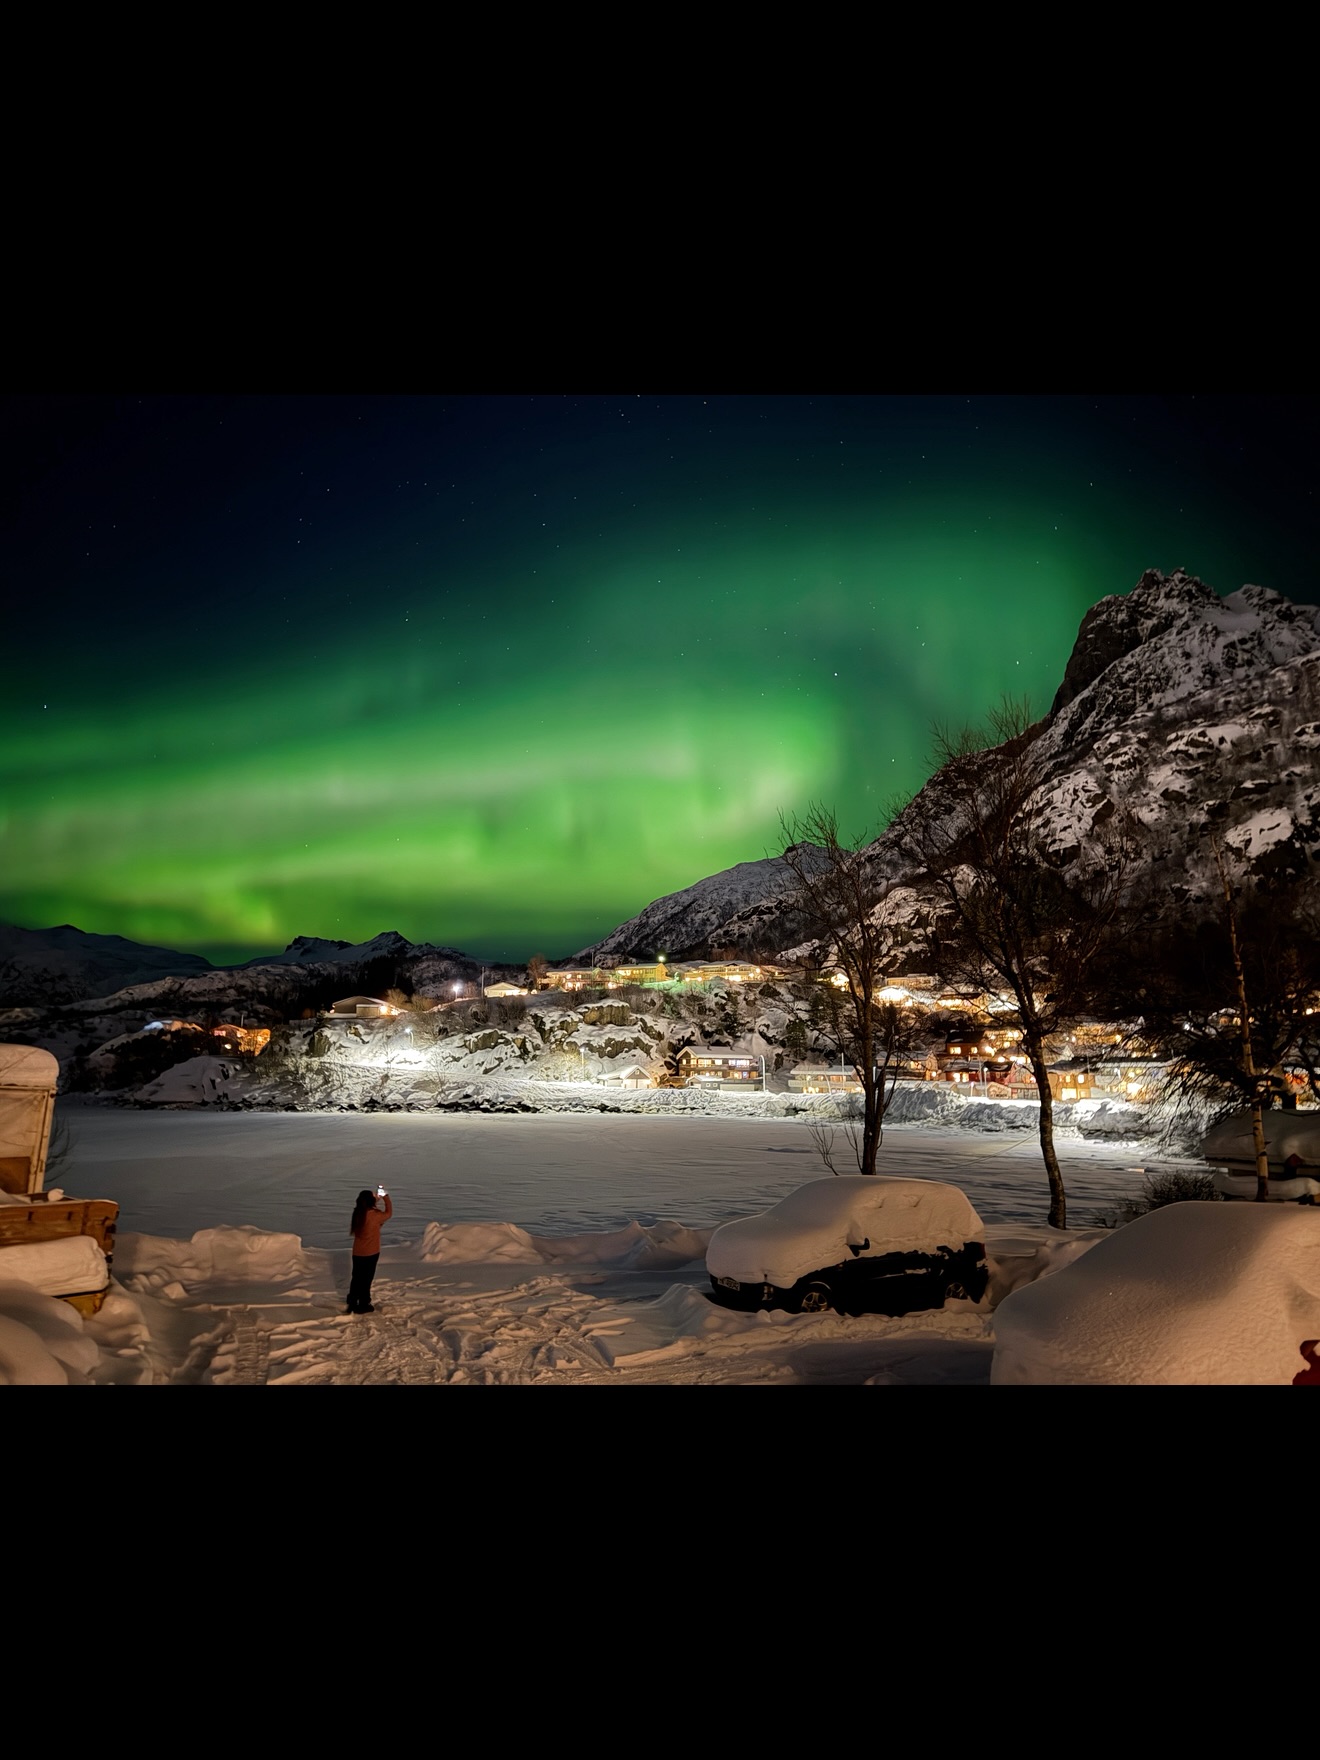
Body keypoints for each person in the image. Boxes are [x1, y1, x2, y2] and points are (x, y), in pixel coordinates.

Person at [347, 1185, 392, 1314]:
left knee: (356, 1278)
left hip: (357, 1252)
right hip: (371, 1252)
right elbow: (388, 1213)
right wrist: (386, 1198)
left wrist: (377, 1198)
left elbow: (369, 1208)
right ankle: (364, 1303)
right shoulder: (375, 1215)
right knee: (366, 1279)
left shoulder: (358, 1213)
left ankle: (352, 1302)